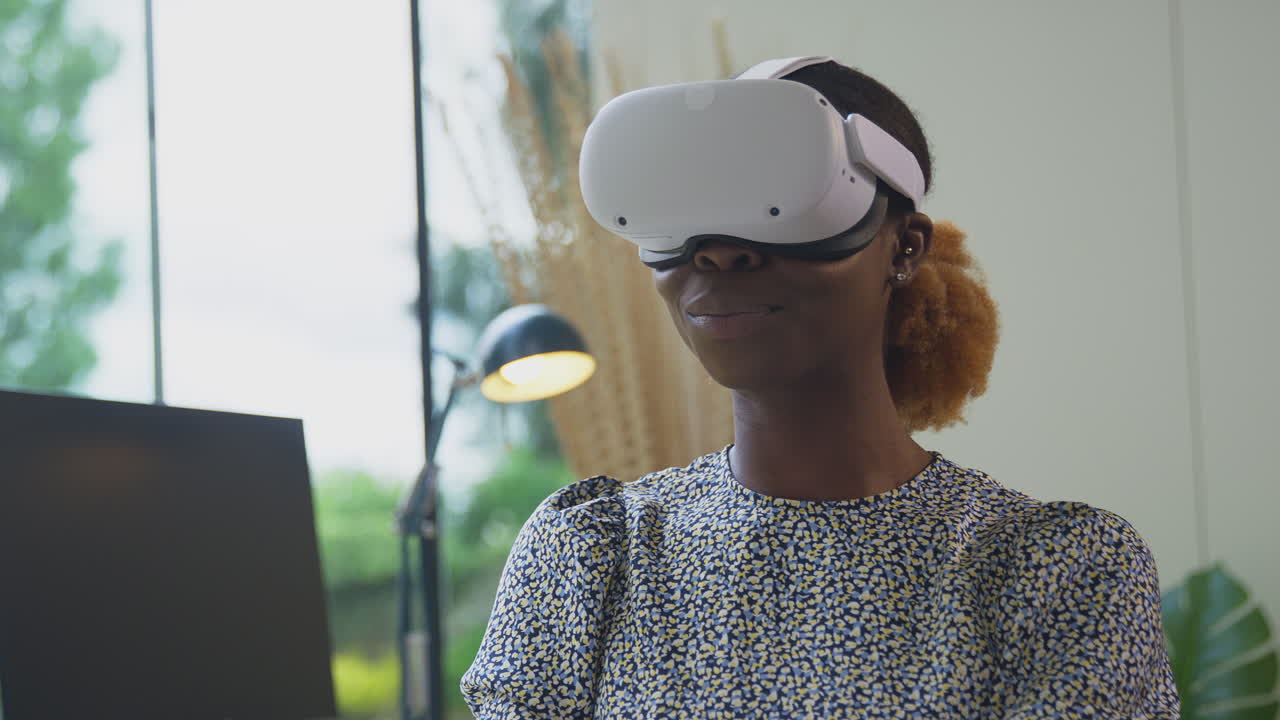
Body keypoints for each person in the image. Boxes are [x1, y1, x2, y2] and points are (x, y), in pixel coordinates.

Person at [460, 57, 1181, 718]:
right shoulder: (591, 558)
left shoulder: (1052, 573)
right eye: (690, 215)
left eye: (782, 203)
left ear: (903, 246)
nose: (718, 249)